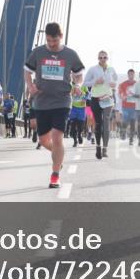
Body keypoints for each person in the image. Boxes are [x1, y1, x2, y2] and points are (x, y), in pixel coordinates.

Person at [24, 22, 84, 189]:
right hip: (41, 102)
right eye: (49, 40)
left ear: (61, 37)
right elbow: (27, 70)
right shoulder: (38, 52)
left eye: (54, 41)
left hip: (62, 101)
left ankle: (55, 174)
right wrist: (30, 86)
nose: (51, 44)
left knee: (57, 138)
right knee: (44, 141)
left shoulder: (70, 54)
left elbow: (79, 74)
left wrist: (77, 85)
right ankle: (59, 157)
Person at [83, 50, 118, 159]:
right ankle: (98, 147)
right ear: (98, 58)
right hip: (96, 99)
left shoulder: (112, 70)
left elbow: (116, 82)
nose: (102, 59)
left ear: (107, 58)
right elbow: (85, 83)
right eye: (100, 57)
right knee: (98, 123)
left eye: (104, 57)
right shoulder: (93, 69)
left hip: (108, 99)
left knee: (106, 123)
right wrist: (95, 82)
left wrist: (113, 85)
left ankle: (105, 149)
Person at [118, 69, 136, 141]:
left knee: (133, 121)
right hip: (125, 106)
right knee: (125, 121)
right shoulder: (123, 84)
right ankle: (123, 132)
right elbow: (120, 94)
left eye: (132, 74)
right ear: (128, 75)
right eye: (130, 74)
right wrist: (122, 96)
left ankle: (131, 137)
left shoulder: (137, 84)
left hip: (134, 106)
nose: (131, 75)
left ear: (134, 75)